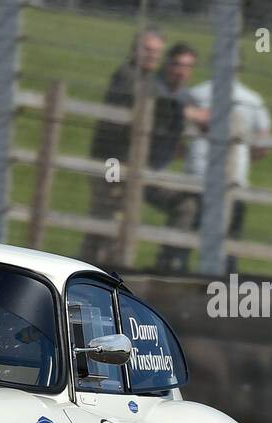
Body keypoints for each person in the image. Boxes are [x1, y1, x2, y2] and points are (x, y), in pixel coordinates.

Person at [79, 27, 165, 265]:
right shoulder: (127, 76)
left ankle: (102, 269)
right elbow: (144, 104)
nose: (152, 56)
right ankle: (92, 269)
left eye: (157, 52)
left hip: (128, 162)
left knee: (116, 221)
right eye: (147, 49)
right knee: (106, 216)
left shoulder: (150, 81)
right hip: (112, 160)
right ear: (135, 49)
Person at [183, 77, 271, 274]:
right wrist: (246, 158)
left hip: (196, 175)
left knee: (184, 237)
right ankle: (225, 291)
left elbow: (177, 128)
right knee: (230, 244)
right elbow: (264, 144)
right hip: (235, 179)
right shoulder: (253, 100)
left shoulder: (197, 93)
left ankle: (173, 275)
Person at [144, 42, 208, 272]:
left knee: (192, 203)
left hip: (158, 171)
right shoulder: (153, 85)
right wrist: (192, 115)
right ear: (167, 64)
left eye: (187, 67)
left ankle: (172, 260)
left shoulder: (184, 94)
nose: (181, 71)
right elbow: (160, 110)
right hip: (135, 169)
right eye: (177, 65)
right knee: (187, 206)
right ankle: (168, 264)